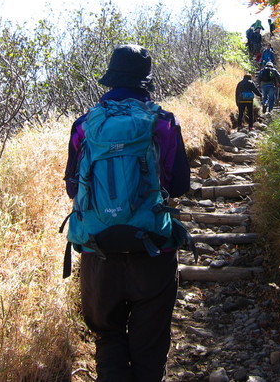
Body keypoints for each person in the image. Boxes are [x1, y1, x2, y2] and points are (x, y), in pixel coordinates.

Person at [63, 44, 190, 382]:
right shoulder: (162, 121)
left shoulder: (85, 124)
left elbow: (73, 189)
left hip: (98, 251)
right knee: (149, 349)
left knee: (108, 337)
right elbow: (179, 185)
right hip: (152, 248)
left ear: (111, 78)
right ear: (145, 81)